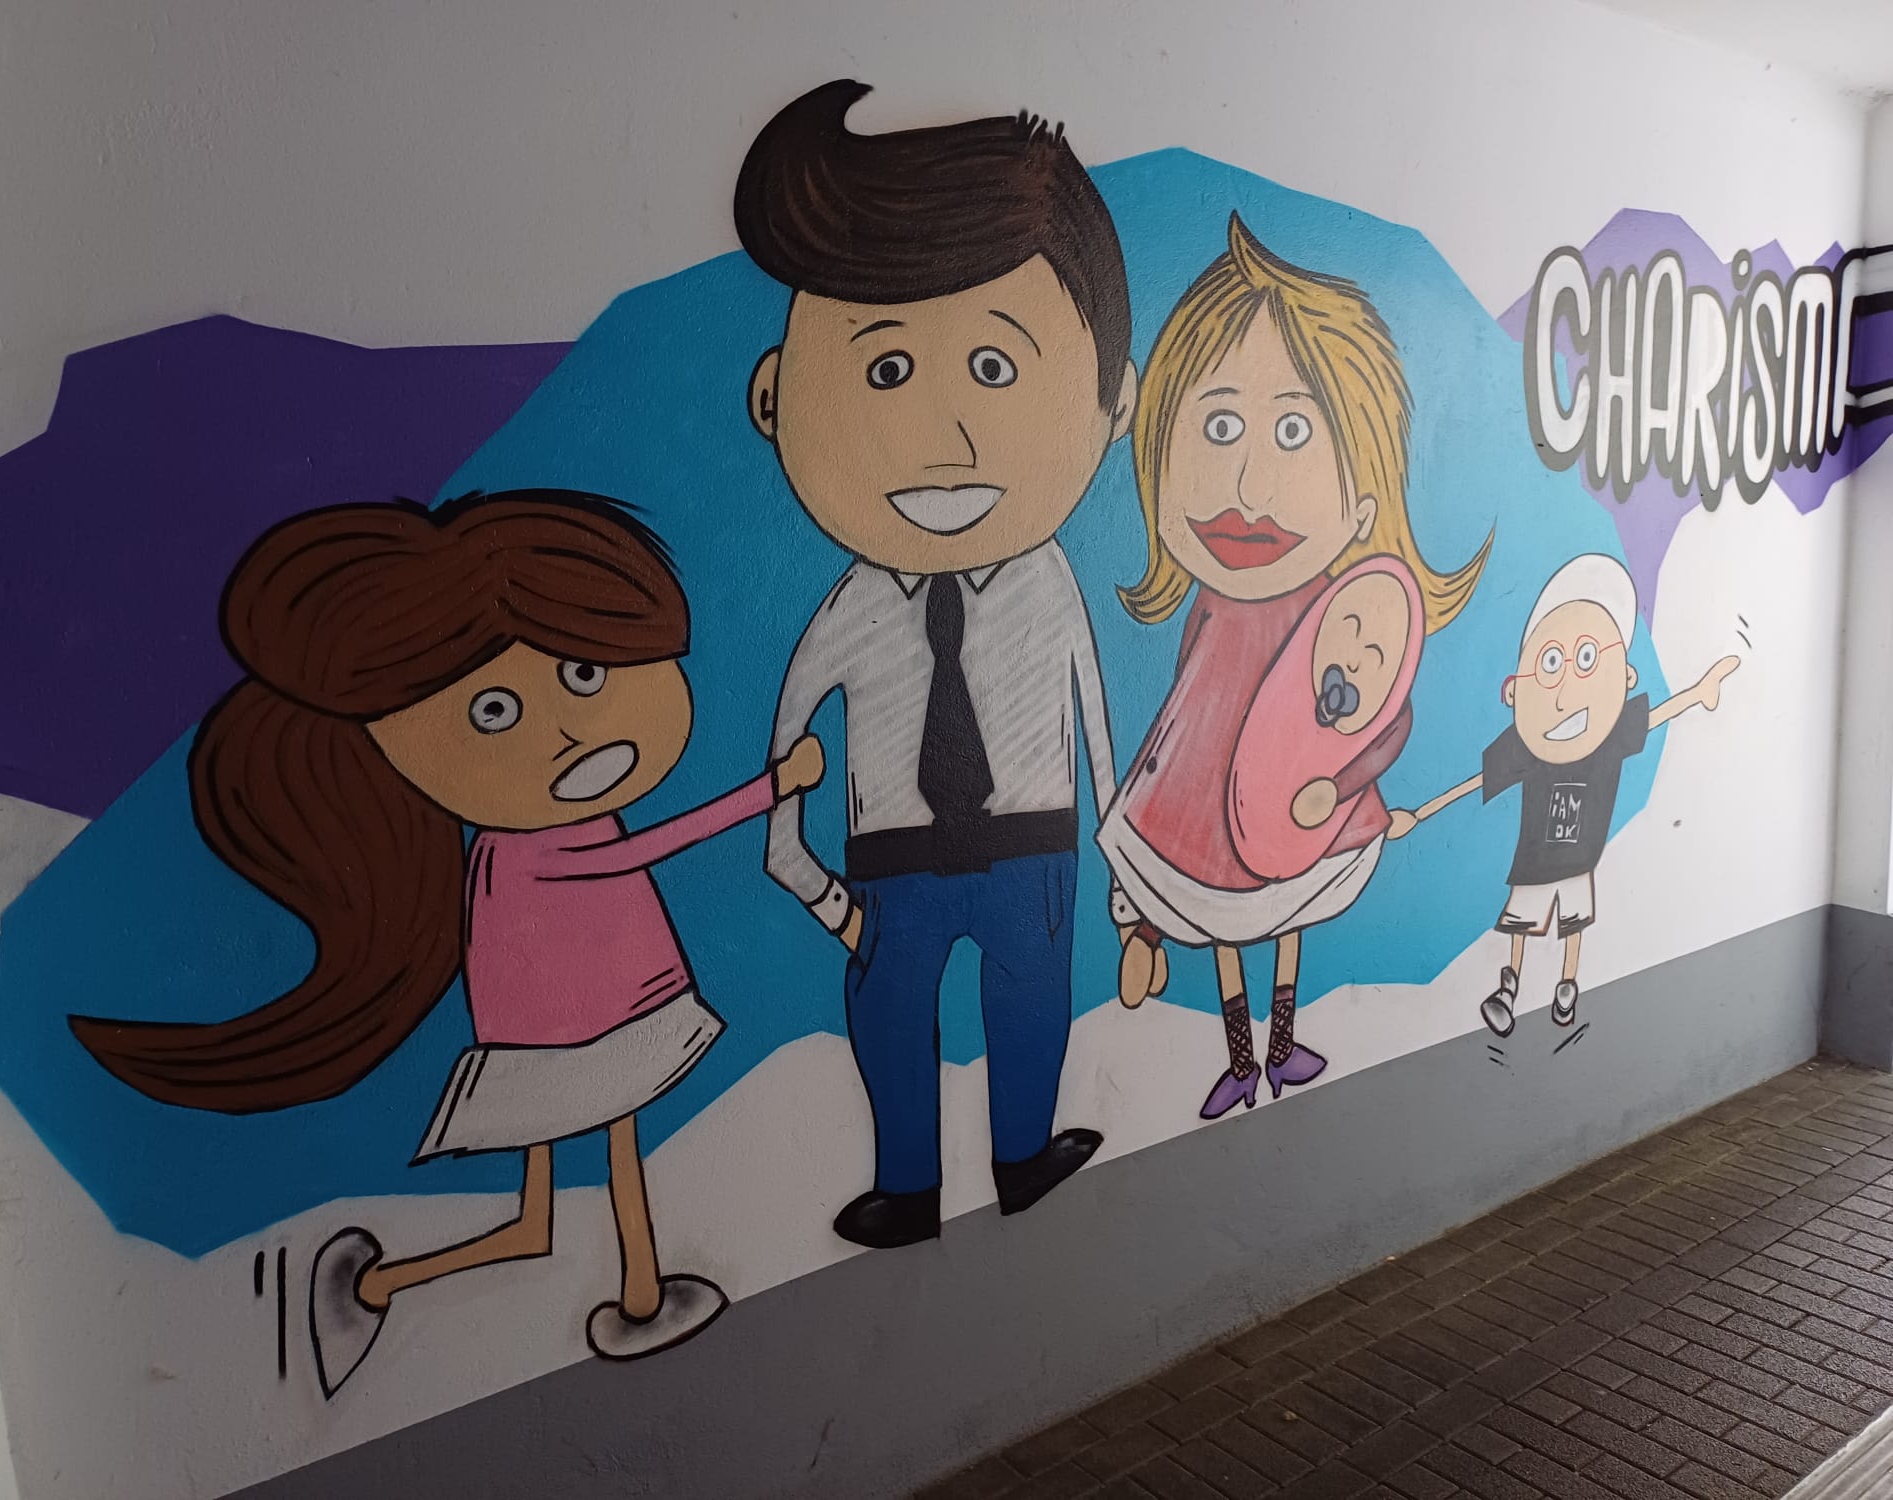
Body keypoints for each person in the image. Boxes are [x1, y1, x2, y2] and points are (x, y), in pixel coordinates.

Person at [69, 490, 823, 1395]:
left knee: (552, 1210)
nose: (565, 729)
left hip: (610, 1017)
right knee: (594, 1177)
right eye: (494, 711)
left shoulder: (539, 834)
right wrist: (771, 787)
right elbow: (638, 853)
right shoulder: (526, 850)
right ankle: (559, 1292)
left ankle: (531, 1289)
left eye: (584, 674)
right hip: (577, 1038)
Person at [737, 80, 1136, 1250]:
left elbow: (1094, 722)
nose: (947, 439)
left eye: (996, 370)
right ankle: (904, 1185)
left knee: (1030, 1006)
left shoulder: (1050, 582)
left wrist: (1122, 878)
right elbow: (782, 756)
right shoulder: (853, 606)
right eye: (886, 373)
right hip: (891, 860)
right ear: (773, 399)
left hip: (1033, 843)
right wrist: (813, 888)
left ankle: (1022, 1154)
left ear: (1110, 402)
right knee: (888, 1017)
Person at [1098, 215, 1490, 1120]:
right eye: (1220, 424)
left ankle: (1280, 1043)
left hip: (1307, 806)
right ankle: (1242, 1054)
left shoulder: (1347, 615)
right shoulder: (1211, 610)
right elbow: (1184, 716)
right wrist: (1142, 906)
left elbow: (1383, 721)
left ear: (1363, 506)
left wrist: (1342, 787)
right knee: (1229, 924)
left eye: (1293, 432)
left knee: (1290, 916)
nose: (1250, 487)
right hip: (1206, 810)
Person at [1387, 553, 1738, 1035]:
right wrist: (1418, 815)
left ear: (1626, 676)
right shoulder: (1524, 746)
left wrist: (1700, 691)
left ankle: (1566, 984)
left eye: (1587, 659)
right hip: (1533, 861)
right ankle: (1509, 988)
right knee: (1522, 925)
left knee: (1572, 923)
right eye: (1551, 664)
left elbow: (1657, 715)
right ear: (1514, 691)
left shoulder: (1610, 734)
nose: (1567, 688)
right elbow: (1473, 782)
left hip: (1579, 859)